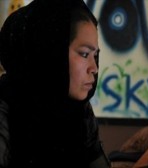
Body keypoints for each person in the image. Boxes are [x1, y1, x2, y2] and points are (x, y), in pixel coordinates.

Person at [0, 0, 110, 167]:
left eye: (95, 55)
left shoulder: (78, 111)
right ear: (49, 53)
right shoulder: (4, 115)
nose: (94, 68)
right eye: (85, 54)